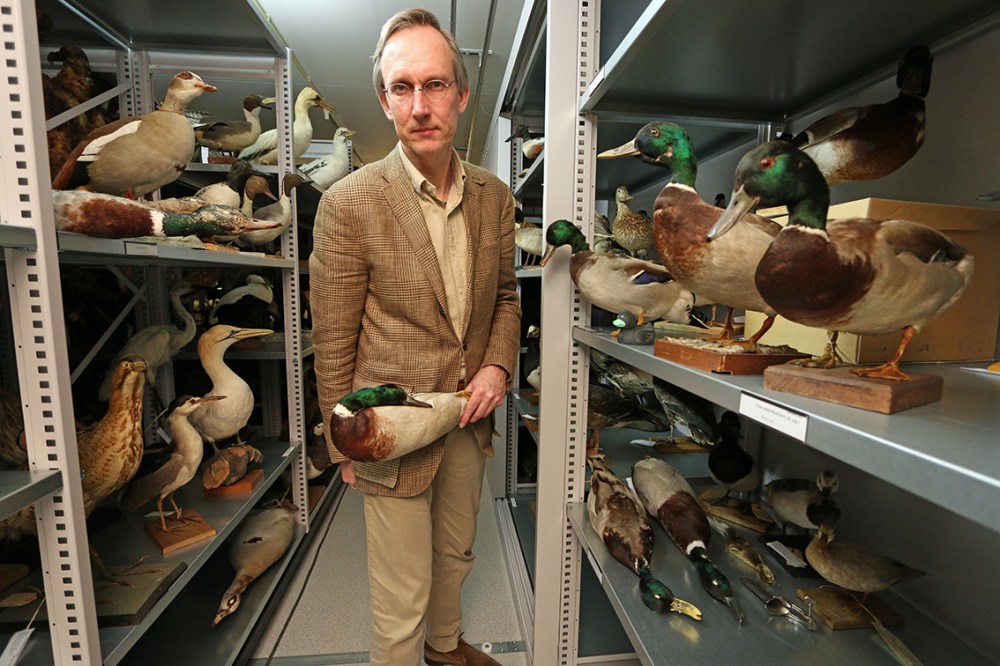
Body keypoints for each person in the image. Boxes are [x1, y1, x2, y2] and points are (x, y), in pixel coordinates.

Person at [309, 8, 521, 666]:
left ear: (461, 95)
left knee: (456, 552)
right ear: (384, 98)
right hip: (389, 423)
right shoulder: (349, 202)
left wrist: (497, 369)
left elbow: (508, 298)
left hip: (467, 412)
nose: (419, 104)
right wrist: (340, 435)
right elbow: (334, 336)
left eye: (434, 85)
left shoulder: (496, 198)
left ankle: (445, 649)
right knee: (402, 589)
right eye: (402, 87)